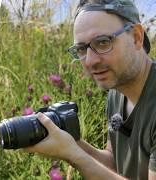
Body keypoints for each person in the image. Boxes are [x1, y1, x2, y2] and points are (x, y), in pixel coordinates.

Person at [27, 0, 156, 179]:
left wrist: (75, 155)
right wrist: (72, 143)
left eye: (103, 42)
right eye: (81, 49)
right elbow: (113, 162)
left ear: (136, 37)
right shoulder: (116, 93)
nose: (89, 61)